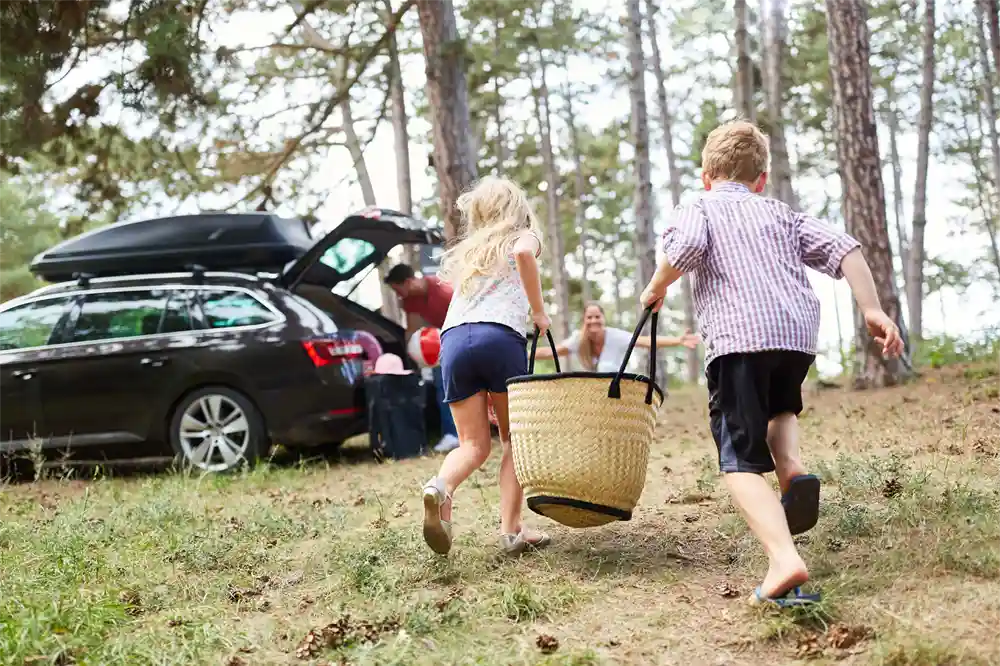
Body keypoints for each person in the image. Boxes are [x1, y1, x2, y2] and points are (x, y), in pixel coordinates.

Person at [638, 120, 903, 607]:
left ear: (706, 176)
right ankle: (791, 469)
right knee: (781, 409)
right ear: (760, 179)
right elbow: (845, 248)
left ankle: (783, 560)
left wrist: (657, 286)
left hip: (740, 338)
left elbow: (688, 246)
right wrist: (871, 309)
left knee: (738, 460)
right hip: (794, 337)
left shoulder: (699, 205)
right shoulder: (781, 212)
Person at [420, 175, 552, 557]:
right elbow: (525, 254)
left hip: (453, 341)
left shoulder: (471, 252)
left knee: (473, 445)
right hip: (499, 337)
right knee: (514, 441)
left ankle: (441, 487)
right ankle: (511, 532)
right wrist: (539, 313)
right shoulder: (522, 236)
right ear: (516, 208)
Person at [384, 263, 460, 453]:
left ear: (408, 282)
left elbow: (464, 318)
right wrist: (412, 357)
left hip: (461, 334)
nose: (398, 295)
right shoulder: (410, 301)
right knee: (441, 385)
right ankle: (452, 434)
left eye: (398, 289)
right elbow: (412, 329)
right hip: (441, 344)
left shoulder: (443, 290)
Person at [533, 302, 700, 371]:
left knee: (606, 367)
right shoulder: (579, 339)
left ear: (603, 318)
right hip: (594, 391)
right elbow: (551, 352)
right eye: (589, 317)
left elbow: (646, 342)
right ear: (584, 320)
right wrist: (524, 354)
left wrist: (678, 340)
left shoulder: (615, 336)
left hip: (619, 386)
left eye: (597, 316)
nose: (593, 320)